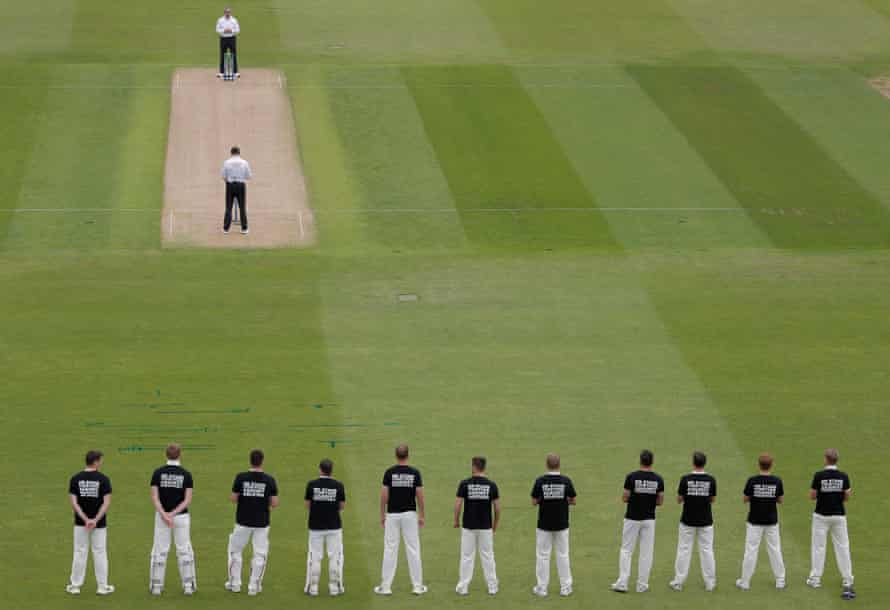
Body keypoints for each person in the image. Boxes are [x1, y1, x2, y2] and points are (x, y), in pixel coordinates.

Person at [374, 444, 427, 596]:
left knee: (390, 549)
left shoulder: (389, 473)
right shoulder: (415, 473)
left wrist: (382, 514)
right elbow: (420, 496)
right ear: (408, 455)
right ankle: (417, 586)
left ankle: (385, 587)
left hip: (392, 515)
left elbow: (384, 495)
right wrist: (422, 514)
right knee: (413, 549)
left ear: (396, 456)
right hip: (410, 515)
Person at [226, 449, 279, 596]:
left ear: (250, 460)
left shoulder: (241, 477)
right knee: (260, 554)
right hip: (261, 522)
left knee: (235, 551)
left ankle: (234, 584)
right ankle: (254, 586)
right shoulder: (270, 480)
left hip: (242, 521)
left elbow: (233, 498)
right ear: (262, 461)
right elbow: (274, 503)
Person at [611, 449, 664, 594]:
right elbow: (660, 501)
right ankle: (642, 585)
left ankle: (622, 583)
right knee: (646, 552)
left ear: (640, 460)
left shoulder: (631, 477)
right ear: (651, 462)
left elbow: (625, 497)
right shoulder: (658, 479)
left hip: (632, 518)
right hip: (649, 519)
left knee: (626, 550)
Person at [149, 443, 197, 596]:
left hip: (162, 516)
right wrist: (174, 514)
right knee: (184, 550)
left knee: (160, 550)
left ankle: (156, 586)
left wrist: (165, 514)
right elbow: (187, 499)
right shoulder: (186, 474)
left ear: (166, 455)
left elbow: (155, 497)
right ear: (180, 455)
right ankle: (188, 585)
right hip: (181, 517)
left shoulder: (157, 473)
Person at [807, 448, 854, 599]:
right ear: (836, 460)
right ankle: (847, 580)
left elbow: (812, 496)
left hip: (821, 516)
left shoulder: (819, 476)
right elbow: (847, 496)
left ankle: (815, 579)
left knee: (818, 547)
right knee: (843, 548)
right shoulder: (844, 476)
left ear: (826, 459)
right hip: (839, 516)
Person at [66, 450, 114, 595]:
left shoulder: (75, 479)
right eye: (100, 460)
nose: (101, 462)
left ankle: (75, 586)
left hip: (80, 523)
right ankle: (102, 586)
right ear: (96, 461)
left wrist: (85, 519)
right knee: (99, 552)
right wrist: (95, 520)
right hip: (99, 524)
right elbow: (106, 503)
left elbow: (74, 503)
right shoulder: (104, 479)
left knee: (80, 552)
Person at [736, 453, 785, 591]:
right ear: (771, 465)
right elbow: (780, 500)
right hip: (771, 521)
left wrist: (756, 496)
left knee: (751, 551)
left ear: (758, 465)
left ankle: (745, 582)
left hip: (754, 521)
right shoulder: (777, 481)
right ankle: (780, 580)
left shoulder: (752, 481)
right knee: (775, 550)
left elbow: (745, 499)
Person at [670, 451, 717, 592]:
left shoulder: (685, 479)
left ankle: (678, 581)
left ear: (693, 463)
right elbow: (713, 499)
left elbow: (679, 500)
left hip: (687, 520)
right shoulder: (711, 480)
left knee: (684, 550)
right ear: (704, 463)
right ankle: (710, 583)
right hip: (706, 521)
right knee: (707, 551)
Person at [531, 453, 577, 597]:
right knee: (563, 555)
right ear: (559, 465)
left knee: (543, 556)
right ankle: (566, 587)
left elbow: (534, 502)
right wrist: (563, 500)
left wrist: (542, 500)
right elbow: (573, 500)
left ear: (547, 465)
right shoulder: (566, 481)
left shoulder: (540, 481)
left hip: (544, 524)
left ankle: (542, 588)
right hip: (562, 523)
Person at [454, 456, 500, 596]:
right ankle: (492, 586)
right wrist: (495, 524)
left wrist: (456, 520)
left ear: (474, 467)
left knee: (467, 556)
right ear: (484, 467)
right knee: (488, 556)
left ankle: (463, 587)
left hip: (468, 526)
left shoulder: (464, 484)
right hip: (486, 526)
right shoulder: (492, 485)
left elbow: (458, 505)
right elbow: (497, 508)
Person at [304, 458, 346, 597]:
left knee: (314, 557)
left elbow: (308, 505)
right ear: (331, 470)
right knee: (335, 557)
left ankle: (313, 588)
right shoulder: (339, 485)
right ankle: (334, 587)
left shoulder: (311, 484)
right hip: (334, 526)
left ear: (320, 469)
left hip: (315, 526)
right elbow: (342, 506)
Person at [221, 146, 251, 234]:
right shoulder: (244, 162)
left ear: (231, 153)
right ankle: (244, 228)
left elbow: (223, 176)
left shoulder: (226, 162)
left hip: (230, 185)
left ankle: (226, 229)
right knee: (242, 207)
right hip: (241, 185)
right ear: (239, 153)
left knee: (228, 207)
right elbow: (249, 176)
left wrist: (228, 181)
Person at [216, 7, 240, 77]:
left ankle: (235, 72)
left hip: (232, 38)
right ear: (224, 13)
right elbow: (217, 29)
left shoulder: (234, 20)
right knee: (222, 55)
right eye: (226, 12)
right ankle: (221, 72)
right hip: (223, 39)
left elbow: (238, 29)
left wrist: (231, 31)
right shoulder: (220, 20)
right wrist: (224, 30)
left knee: (234, 54)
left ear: (230, 12)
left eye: (229, 12)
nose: (227, 13)